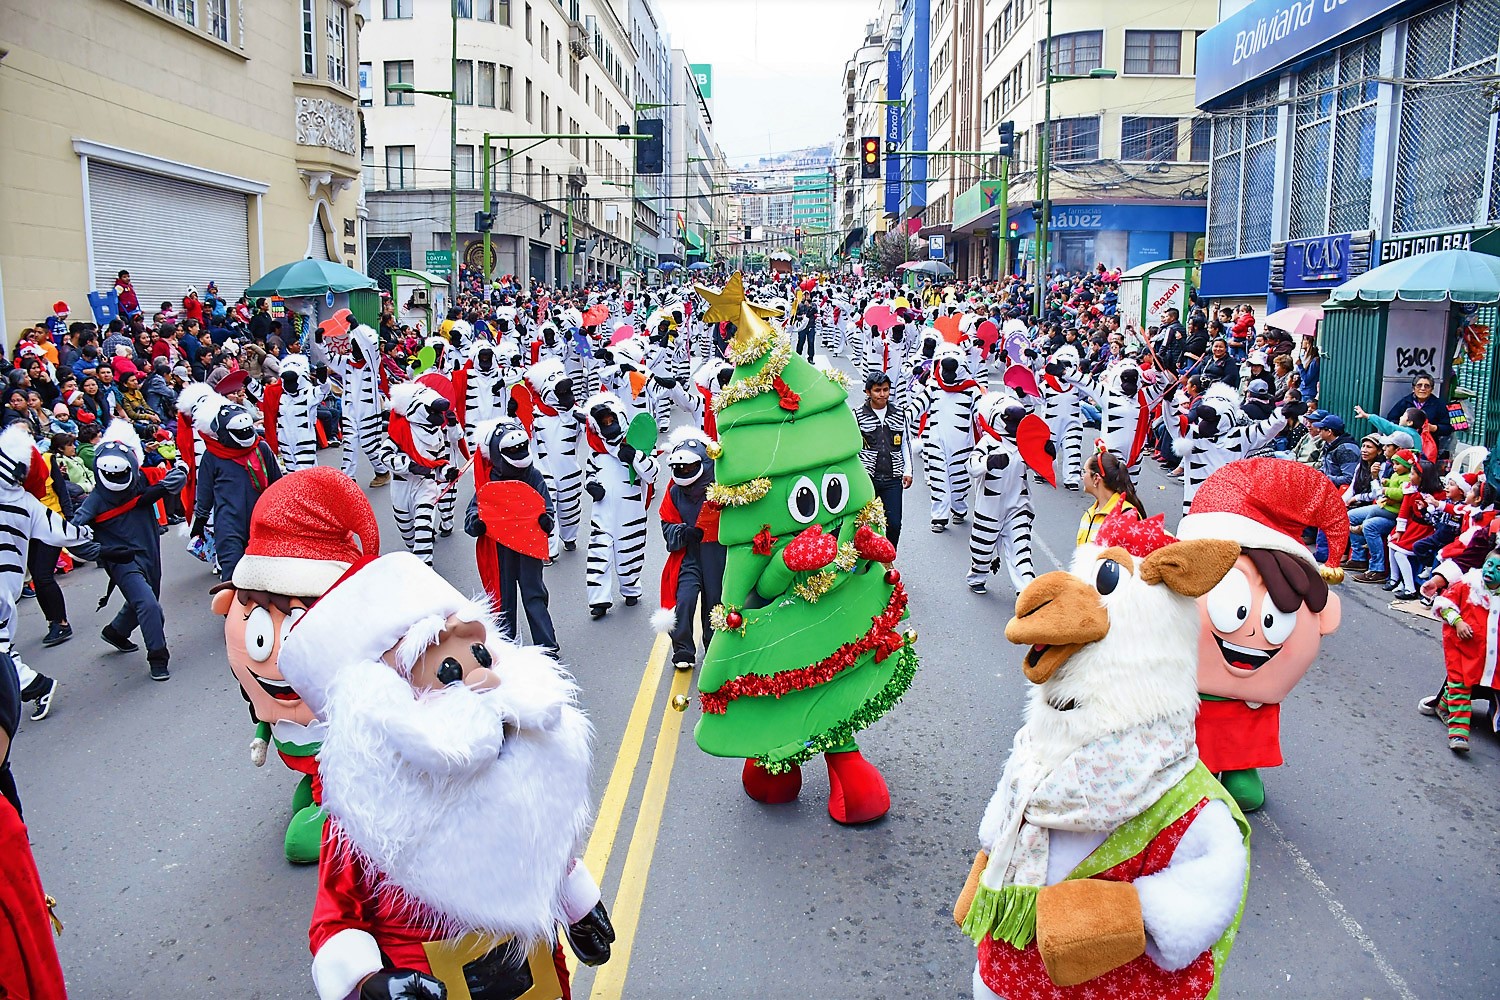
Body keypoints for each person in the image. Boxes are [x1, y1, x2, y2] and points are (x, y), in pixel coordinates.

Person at [276, 553, 613, 1000]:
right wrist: (369, 981)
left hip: (535, 974)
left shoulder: (514, 755)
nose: (485, 682)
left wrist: (579, 906)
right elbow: (336, 919)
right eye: (447, 672)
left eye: (478, 655)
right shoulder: (365, 816)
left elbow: (537, 839)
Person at [74, 420, 187, 681]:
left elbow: (179, 474)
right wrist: (102, 552)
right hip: (122, 560)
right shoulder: (95, 500)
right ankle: (158, 657)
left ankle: (116, 631)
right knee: (149, 605)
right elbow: (72, 536)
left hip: (149, 552)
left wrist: (159, 489)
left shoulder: (140, 480)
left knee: (146, 597)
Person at [466, 417, 559, 655]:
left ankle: (547, 645)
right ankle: (505, 646)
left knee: (534, 595)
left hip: (528, 548)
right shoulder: (487, 481)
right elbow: (473, 511)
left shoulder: (533, 476)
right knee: (503, 599)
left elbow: (546, 507)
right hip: (500, 551)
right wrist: (476, 524)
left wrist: (545, 521)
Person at [653, 428, 724, 671]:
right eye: (679, 468)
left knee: (716, 601)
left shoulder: (720, 486)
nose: (683, 472)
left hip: (717, 554)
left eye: (688, 467)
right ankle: (683, 649)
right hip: (689, 555)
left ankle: (713, 645)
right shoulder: (674, 492)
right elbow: (666, 525)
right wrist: (683, 532)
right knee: (684, 599)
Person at [1426, 545, 1500, 752]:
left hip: (1489, 657)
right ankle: (1458, 734)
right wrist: (1458, 621)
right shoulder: (1468, 585)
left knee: (1475, 683)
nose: (1491, 571)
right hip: (1463, 650)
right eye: (1489, 565)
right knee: (1461, 686)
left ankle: (1442, 704)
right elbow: (1444, 604)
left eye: (1498, 568)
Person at [854, 372, 912, 547]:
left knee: (894, 523)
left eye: (886, 390)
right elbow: (854, 448)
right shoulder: (857, 415)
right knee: (865, 523)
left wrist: (908, 471)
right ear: (868, 392)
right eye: (878, 390)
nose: (882, 394)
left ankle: (888, 557)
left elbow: (905, 444)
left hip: (893, 478)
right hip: (867, 477)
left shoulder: (900, 413)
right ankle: (866, 561)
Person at [1077, 448, 1144, 544]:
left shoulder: (1126, 515)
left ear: (1096, 478)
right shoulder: (1090, 513)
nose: (1082, 476)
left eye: (1084, 471)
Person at [1382, 372, 1453, 450]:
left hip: (1427, 447)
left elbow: (1447, 428)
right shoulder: (1405, 402)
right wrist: (1402, 426)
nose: (1422, 389)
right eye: (1419, 385)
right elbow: (1391, 420)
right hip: (1404, 445)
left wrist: (1434, 428)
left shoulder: (1438, 405)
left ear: (1432, 389)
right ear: (1413, 388)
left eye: (1427, 386)